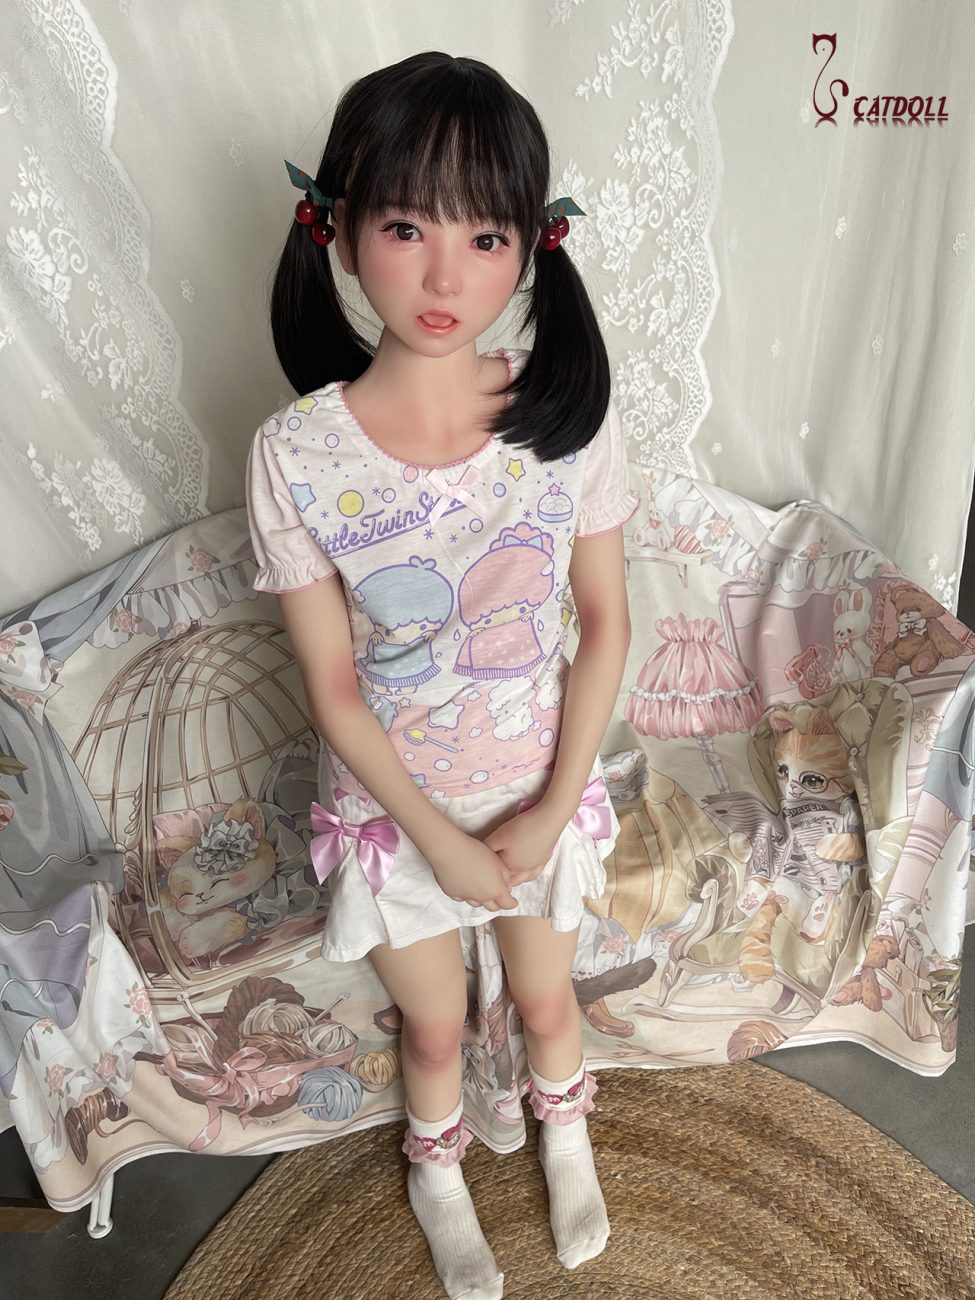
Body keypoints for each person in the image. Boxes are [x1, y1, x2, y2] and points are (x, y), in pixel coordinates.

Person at [245, 51, 639, 1300]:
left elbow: (605, 624)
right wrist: (439, 843)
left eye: (485, 236)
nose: (444, 276)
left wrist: (550, 807)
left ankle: (564, 1135)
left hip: (539, 793)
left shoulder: (566, 418)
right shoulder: (296, 454)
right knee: (430, 1024)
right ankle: (438, 1170)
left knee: (548, 1002)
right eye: (408, 227)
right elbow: (334, 689)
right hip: (394, 819)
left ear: (532, 246)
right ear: (341, 227)